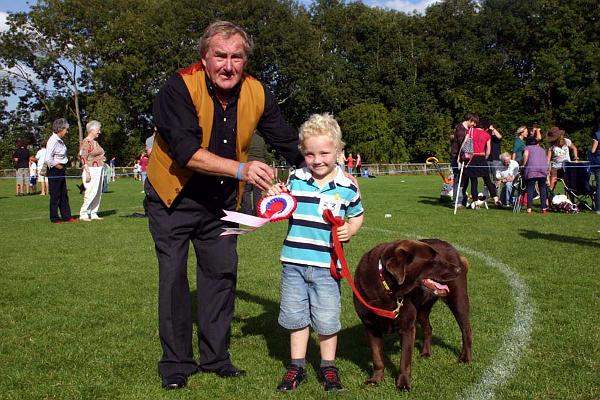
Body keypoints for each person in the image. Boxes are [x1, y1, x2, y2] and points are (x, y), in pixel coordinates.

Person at [147, 20, 305, 390]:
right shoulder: (178, 87)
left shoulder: (257, 92)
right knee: (173, 278)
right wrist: (243, 169)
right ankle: (176, 363)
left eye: (237, 57)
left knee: (221, 276)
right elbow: (186, 153)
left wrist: (327, 167)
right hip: (174, 196)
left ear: (245, 60)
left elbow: (286, 140)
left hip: (219, 200)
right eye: (220, 56)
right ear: (204, 58)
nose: (228, 65)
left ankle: (216, 358)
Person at [266, 113, 364, 392]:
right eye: (309, 154)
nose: (317, 160)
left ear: (338, 151)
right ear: (302, 153)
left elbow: (357, 215)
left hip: (326, 266)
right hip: (294, 263)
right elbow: (280, 202)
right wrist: (275, 192)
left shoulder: (347, 187)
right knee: (296, 317)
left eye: (324, 152)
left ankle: (328, 367)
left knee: (327, 318)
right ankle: (296, 366)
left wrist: (351, 229)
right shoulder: (296, 179)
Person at [45, 118, 76, 223]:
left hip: (61, 169)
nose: (67, 131)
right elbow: (48, 158)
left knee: (63, 194)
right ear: (60, 129)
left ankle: (67, 216)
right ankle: (54, 218)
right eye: (66, 129)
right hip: (55, 170)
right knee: (55, 194)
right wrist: (57, 166)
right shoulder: (52, 141)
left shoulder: (60, 141)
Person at [463, 124, 501, 207]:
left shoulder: (471, 131)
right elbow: (488, 151)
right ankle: (496, 199)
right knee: (487, 180)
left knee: (473, 181)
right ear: (485, 128)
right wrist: (485, 158)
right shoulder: (487, 134)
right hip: (482, 157)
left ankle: (476, 202)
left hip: (472, 157)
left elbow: (466, 143)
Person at [78, 120, 106, 221]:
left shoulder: (95, 142)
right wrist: (87, 172)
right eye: (98, 130)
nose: (99, 132)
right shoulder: (86, 142)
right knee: (91, 192)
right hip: (91, 169)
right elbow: (83, 157)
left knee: (98, 192)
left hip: (99, 169)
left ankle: (93, 212)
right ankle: (84, 213)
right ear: (92, 130)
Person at [450, 113, 479, 205]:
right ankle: (457, 202)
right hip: (457, 158)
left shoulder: (468, 130)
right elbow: (462, 145)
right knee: (458, 180)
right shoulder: (461, 129)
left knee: (464, 180)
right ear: (470, 120)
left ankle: (462, 200)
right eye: (474, 123)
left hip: (464, 159)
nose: (474, 125)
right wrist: (460, 158)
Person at [240, 132, 267, 215]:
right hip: (261, 166)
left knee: (246, 191)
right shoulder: (261, 139)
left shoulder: (245, 138)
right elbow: (264, 153)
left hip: (248, 165)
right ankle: (258, 212)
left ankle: (247, 212)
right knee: (257, 192)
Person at [546, 126, 579, 191]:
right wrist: (547, 169)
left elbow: (574, 148)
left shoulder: (567, 141)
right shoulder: (551, 145)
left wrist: (576, 157)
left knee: (569, 184)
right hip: (556, 166)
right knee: (553, 181)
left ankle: (571, 199)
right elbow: (548, 159)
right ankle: (549, 199)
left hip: (567, 165)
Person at [522, 135, 549, 214]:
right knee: (542, 189)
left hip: (532, 170)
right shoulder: (542, 149)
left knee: (530, 188)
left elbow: (526, 155)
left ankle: (529, 209)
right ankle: (544, 208)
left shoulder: (527, 148)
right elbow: (546, 160)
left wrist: (524, 165)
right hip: (543, 170)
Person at [590, 117, 600, 214]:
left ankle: (598, 208)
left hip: (598, 162)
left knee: (599, 186)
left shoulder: (597, 134)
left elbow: (593, 150)